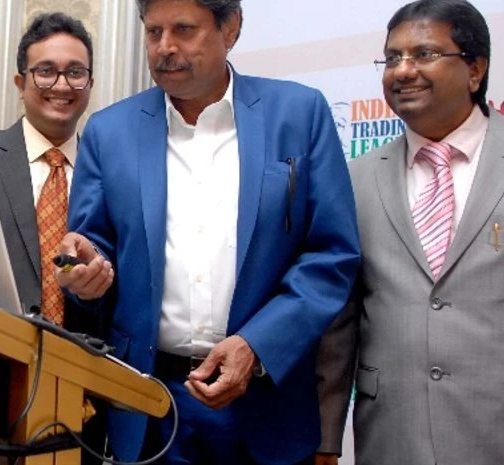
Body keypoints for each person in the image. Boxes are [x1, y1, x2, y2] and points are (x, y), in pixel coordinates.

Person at [55, 0, 361, 463]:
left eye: (183, 29)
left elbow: (331, 256)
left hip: (266, 400)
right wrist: (85, 273)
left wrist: (257, 345)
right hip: (150, 405)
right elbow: (94, 250)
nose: (165, 47)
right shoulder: (108, 131)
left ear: (231, 28)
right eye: (153, 31)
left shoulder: (299, 113)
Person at [315, 1, 499, 465]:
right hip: (393, 434)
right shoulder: (355, 179)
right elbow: (339, 325)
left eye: (424, 54)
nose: (403, 70)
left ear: (475, 69)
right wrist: (326, 439)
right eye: (392, 57)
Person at [0, 12, 107, 464]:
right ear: (20, 80)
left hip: (84, 398)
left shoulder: (114, 169)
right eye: (46, 71)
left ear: (90, 83)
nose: (62, 84)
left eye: (76, 72)